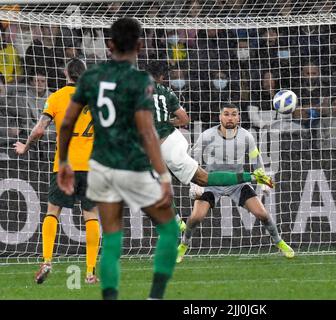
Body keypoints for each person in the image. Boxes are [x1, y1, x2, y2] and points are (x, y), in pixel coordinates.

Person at [56, 17, 177, 300]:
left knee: (111, 239)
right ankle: (155, 297)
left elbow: (66, 125)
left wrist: (63, 162)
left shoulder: (90, 77)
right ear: (140, 45)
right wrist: (163, 175)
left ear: (109, 45)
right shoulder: (140, 80)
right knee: (170, 230)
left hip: (100, 167)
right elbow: (147, 132)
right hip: (132, 166)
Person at [145, 61, 275, 232]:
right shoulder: (166, 91)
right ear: (162, 77)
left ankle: (250, 177)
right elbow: (184, 120)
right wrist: (166, 121)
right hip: (173, 140)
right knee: (191, 179)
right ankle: (252, 176)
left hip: (159, 146)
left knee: (168, 182)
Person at [13, 58, 100, 285]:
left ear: (65, 73)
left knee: (53, 212)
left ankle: (47, 261)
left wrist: (26, 146)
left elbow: (40, 129)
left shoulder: (56, 97)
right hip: (91, 167)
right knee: (91, 216)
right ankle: (90, 272)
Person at [177, 104, 295, 263]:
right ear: (220, 117)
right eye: (226, 114)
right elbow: (192, 160)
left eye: (233, 114)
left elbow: (256, 160)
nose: (230, 118)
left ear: (239, 118)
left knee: (263, 215)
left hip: (237, 183)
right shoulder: (207, 135)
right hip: (210, 182)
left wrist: (263, 183)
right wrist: (194, 184)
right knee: (195, 217)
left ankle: (279, 242)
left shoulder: (246, 136)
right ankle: (184, 245)